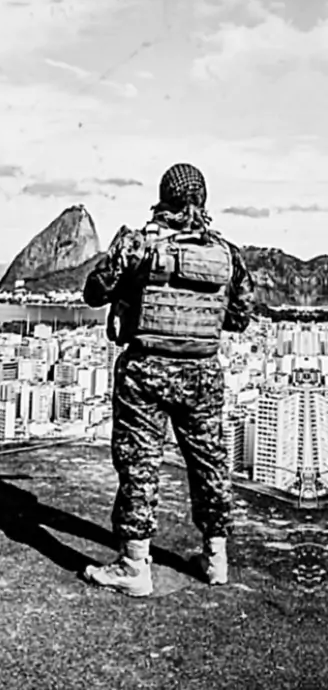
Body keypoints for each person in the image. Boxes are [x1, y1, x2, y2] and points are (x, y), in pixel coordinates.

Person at [82, 163, 254, 597]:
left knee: (140, 465)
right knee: (210, 463)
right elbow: (239, 318)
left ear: (163, 197)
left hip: (146, 372)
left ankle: (134, 567)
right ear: (203, 199)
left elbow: (94, 291)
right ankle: (216, 560)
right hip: (202, 373)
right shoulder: (227, 253)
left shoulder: (138, 243)